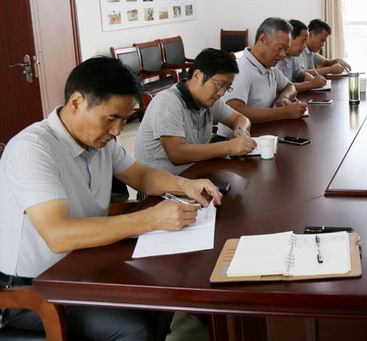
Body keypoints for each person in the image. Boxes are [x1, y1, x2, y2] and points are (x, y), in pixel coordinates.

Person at [0, 57, 221, 340]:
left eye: (124, 120)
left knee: (164, 295)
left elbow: (141, 176)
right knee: (134, 329)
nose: (117, 131)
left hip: (82, 266)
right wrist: (151, 219)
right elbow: (58, 235)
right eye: (111, 118)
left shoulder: (99, 142)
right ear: (77, 102)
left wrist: (186, 185)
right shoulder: (32, 149)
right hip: (32, 290)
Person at [135, 48, 257, 175]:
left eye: (227, 88)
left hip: (193, 172)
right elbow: (177, 154)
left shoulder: (209, 100)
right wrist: (229, 146)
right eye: (220, 84)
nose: (222, 93)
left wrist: (241, 131)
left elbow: (241, 119)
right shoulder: (168, 101)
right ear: (197, 75)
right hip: (162, 183)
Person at [219, 18, 307, 136]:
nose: (283, 54)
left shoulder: (269, 66)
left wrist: (283, 98)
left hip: (265, 133)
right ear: (262, 39)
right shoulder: (241, 69)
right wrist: (284, 112)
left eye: (285, 49)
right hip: (236, 141)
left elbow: (290, 87)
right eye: (280, 48)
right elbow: (235, 111)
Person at [276, 19, 327, 93]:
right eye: (303, 41)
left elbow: (300, 74)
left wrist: (311, 78)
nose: (304, 46)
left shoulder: (291, 57)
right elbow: (282, 88)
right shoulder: (275, 59)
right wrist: (311, 84)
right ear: (290, 38)